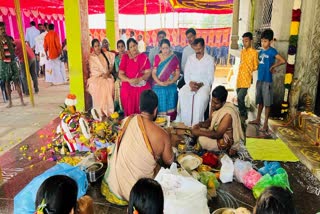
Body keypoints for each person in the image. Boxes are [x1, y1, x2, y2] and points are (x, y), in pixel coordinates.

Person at [101, 90, 174, 205]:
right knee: (161, 169)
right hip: (139, 193)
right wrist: (170, 140)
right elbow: (169, 161)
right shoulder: (162, 134)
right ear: (155, 110)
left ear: (140, 107)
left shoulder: (127, 120)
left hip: (116, 184)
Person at [249, 29, 285, 132]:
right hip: (260, 79)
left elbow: (282, 60)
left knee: (267, 103)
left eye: (265, 41)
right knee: (260, 101)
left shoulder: (272, 51)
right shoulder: (260, 52)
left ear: (270, 41)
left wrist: (273, 66)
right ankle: (257, 119)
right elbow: (259, 64)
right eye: (262, 41)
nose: (263, 43)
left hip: (267, 81)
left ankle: (265, 124)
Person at [192, 86, 244, 156]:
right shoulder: (215, 106)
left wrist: (199, 132)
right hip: (214, 132)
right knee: (195, 128)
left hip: (223, 140)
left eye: (216, 103)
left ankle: (225, 149)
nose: (213, 105)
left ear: (223, 103)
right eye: (212, 101)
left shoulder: (227, 113)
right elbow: (209, 121)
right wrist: (199, 125)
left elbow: (218, 135)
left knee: (201, 140)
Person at [177, 38, 214, 126]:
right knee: (182, 93)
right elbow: (186, 74)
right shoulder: (190, 59)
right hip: (190, 84)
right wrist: (190, 83)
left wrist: (200, 84)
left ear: (204, 46)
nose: (198, 51)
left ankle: (196, 125)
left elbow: (210, 77)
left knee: (200, 97)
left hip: (204, 85)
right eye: (196, 49)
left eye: (200, 49)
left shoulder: (209, 59)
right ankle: (185, 124)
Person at [118, 38, 152, 116]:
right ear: (128, 49)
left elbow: (148, 73)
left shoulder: (144, 57)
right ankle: (130, 118)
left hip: (141, 81)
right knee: (127, 92)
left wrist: (140, 79)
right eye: (131, 47)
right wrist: (129, 80)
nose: (133, 48)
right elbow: (120, 74)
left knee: (145, 92)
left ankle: (143, 119)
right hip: (128, 82)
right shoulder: (125, 57)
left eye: (134, 45)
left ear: (137, 45)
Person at [152, 38, 180, 120]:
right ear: (160, 48)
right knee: (159, 91)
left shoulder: (174, 58)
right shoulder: (157, 57)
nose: (165, 50)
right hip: (158, 83)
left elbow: (177, 73)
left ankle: (170, 119)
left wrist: (171, 81)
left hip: (170, 83)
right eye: (163, 48)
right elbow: (153, 73)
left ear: (170, 47)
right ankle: (159, 119)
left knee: (172, 91)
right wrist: (160, 83)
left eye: (167, 48)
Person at [0, 22, 25, 107]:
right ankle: (10, 102)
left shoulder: (9, 38)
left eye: (4, 29)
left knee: (16, 81)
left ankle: (22, 101)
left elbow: (14, 48)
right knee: (6, 82)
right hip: (4, 64)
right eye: (1, 29)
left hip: (12, 62)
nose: (3, 31)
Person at [87, 39, 115, 117]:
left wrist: (107, 73)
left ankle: (108, 110)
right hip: (96, 77)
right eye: (95, 46)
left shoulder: (106, 54)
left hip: (107, 75)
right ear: (93, 47)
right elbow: (93, 70)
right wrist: (102, 75)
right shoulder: (92, 57)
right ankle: (99, 111)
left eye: (98, 45)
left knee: (109, 82)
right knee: (97, 85)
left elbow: (111, 66)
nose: (98, 48)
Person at [236, 32, 258, 122]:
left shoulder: (254, 53)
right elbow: (241, 63)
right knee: (238, 95)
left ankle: (243, 113)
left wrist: (248, 72)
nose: (244, 43)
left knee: (240, 97)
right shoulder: (242, 52)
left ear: (251, 41)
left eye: (246, 41)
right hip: (240, 78)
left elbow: (256, 66)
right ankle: (242, 113)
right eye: (243, 41)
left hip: (247, 78)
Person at [114, 39, 126, 112]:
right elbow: (117, 70)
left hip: (128, 76)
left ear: (125, 47)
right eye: (119, 47)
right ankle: (120, 107)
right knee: (117, 83)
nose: (121, 48)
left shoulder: (128, 56)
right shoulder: (117, 58)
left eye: (122, 46)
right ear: (117, 48)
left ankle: (126, 106)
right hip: (120, 76)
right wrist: (121, 77)